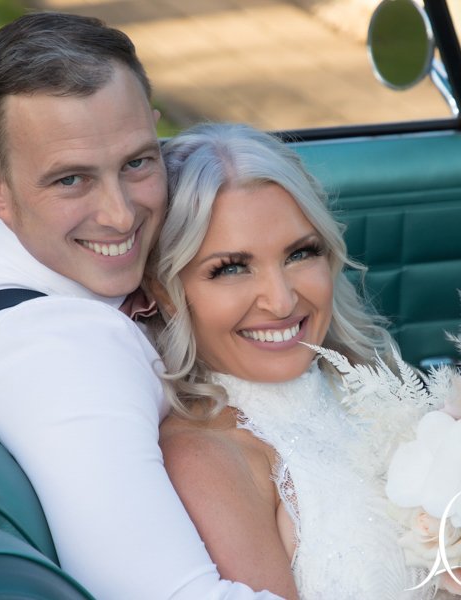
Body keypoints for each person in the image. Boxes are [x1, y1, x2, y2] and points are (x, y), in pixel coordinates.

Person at [0, 13, 281, 599]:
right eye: (71, 180)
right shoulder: (61, 356)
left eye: (137, 162)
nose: (121, 215)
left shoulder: (57, 296)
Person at [153, 123, 428, 599]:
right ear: (170, 294)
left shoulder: (365, 380)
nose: (281, 301)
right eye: (231, 269)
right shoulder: (206, 456)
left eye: (300, 253)